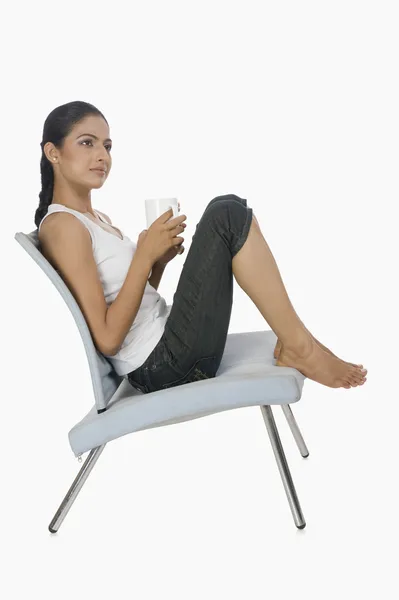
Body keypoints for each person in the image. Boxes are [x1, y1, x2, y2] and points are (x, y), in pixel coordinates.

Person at [36, 100, 367, 394]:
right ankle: (300, 346)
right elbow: (108, 339)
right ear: (54, 152)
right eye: (87, 143)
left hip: (168, 346)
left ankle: (298, 341)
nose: (102, 156)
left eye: (107, 146)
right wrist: (144, 258)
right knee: (225, 215)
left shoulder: (96, 218)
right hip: (161, 366)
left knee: (229, 206)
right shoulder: (63, 226)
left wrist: (158, 263)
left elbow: (132, 310)